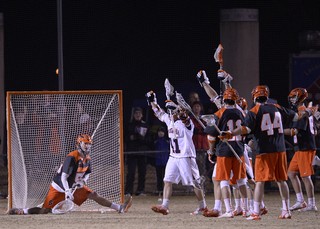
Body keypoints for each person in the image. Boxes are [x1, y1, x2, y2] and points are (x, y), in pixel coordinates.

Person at [218, 85, 318, 220]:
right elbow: (296, 116)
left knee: (260, 182)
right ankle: (286, 210)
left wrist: (230, 133)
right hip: (280, 150)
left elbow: (245, 129)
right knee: (282, 181)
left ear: (254, 96)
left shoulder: (254, 111)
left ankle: (256, 212)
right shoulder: (277, 107)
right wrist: (309, 112)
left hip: (264, 150)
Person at [9, 134, 132, 214]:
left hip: (73, 187)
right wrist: (67, 191)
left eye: (89, 144)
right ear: (79, 144)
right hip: (59, 187)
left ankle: (119, 207)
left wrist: (82, 182)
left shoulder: (87, 158)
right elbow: (63, 176)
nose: (87, 146)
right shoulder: (72, 157)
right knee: (44, 210)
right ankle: (22, 212)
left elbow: (87, 173)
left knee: (93, 194)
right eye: (85, 143)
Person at [146, 91, 208, 215]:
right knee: (167, 180)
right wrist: (153, 101)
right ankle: (165, 206)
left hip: (186, 156)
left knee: (194, 182)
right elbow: (159, 113)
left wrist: (177, 109)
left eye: (173, 111)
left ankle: (203, 206)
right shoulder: (169, 121)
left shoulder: (187, 123)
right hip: (173, 156)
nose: (171, 113)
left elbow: (185, 118)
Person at [202, 88, 248, 218]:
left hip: (224, 151)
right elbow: (247, 130)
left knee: (223, 181)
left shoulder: (220, 113)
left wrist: (211, 152)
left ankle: (228, 210)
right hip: (239, 150)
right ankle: (246, 209)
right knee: (241, 181)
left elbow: (211, 137)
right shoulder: (242, 113)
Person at [284, 88, 317, 211]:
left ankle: (312, 204)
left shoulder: (302, 112)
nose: (292, 99)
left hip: (305, 148)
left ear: (301, 97)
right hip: (300, 148)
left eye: (294, 97)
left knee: (305, 176)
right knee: (291, 173)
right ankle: (300, 201)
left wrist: (278, 131)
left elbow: (294, 131)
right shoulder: (300, 111)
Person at [124, 107, 153, 196]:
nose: (138, 114)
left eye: (139, 113)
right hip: (132, 152)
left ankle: (140, 191)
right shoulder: (129, 125)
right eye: (136, 113)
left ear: (142, 115)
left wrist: (142, 139)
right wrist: (130, 138)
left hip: (142, 152)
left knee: (142, 172)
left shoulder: (146, 126)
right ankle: (128, 191)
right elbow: (123, 137)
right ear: (133, 115)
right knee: (131, 172)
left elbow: (150, 139)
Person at [190, 101, 209, 177]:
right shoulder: (190, 119)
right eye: (195, 106)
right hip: (193, 146)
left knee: (202, 167)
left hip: (202, 146)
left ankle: (202, 185)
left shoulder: (204, 119)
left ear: (201, 108)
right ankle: (192, 186)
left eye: (198, 106)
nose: (196, 108)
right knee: (192, 167)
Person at [154, 126, 170, 194]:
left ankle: (166, 191)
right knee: (159, 177)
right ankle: (159, 190)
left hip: (166, 162)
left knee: (166, 177)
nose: (160, 133)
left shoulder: (167, 142)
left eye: (162, 131)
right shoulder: (155, 142)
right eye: (159, 131)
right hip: (158, 162)